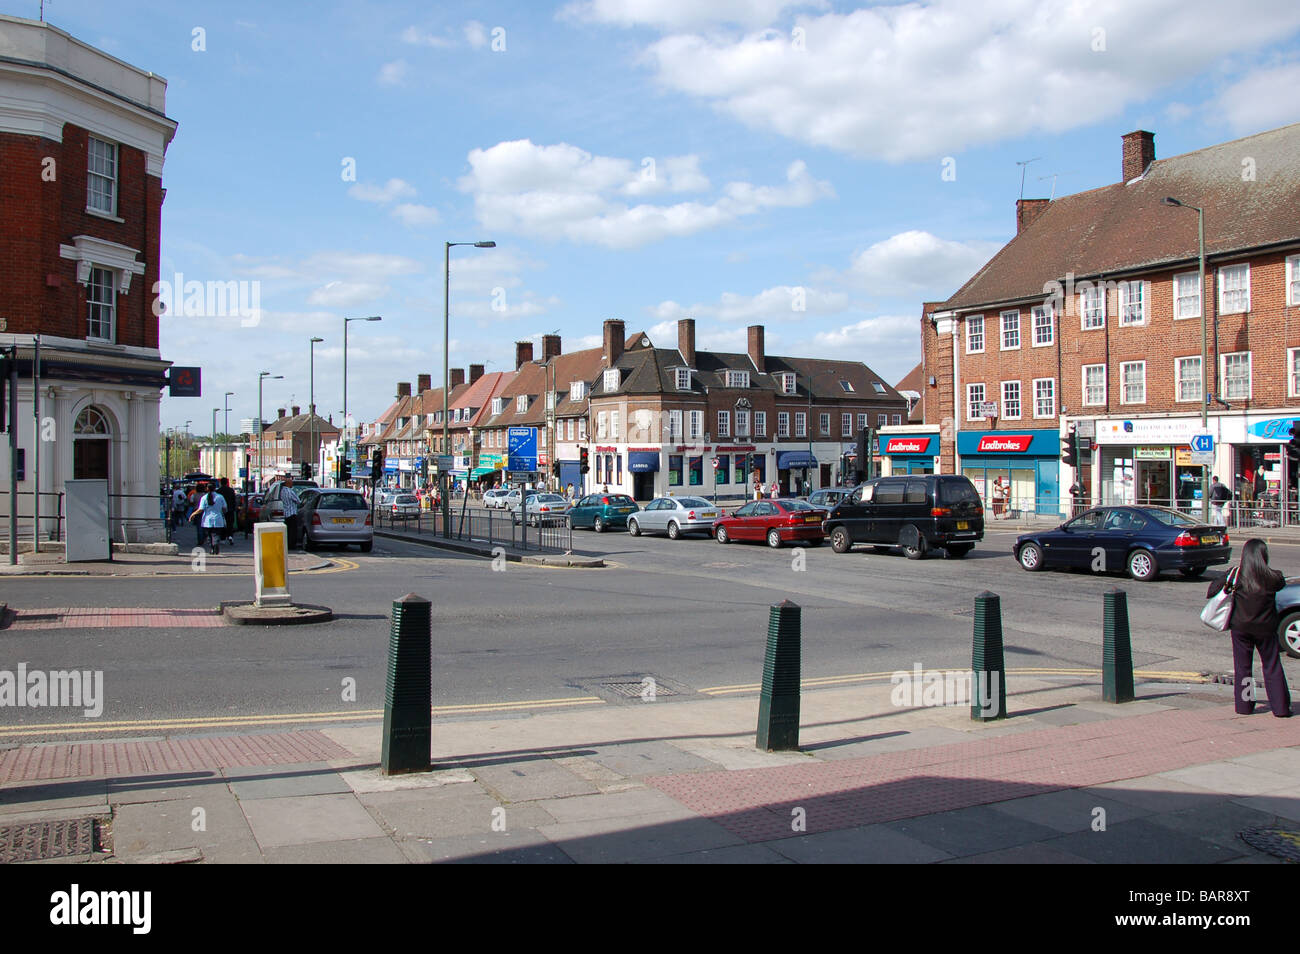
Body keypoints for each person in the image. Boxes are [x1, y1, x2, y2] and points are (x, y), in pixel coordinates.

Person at [1207, 539, 1291, 717]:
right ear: (1264, 555)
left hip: (1241, 628)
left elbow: (1211, 591)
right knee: (1271, 666)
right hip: (1266, 629)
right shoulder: (1274, 576)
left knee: (1243, 667)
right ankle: (1281, 708)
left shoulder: (1237, 574)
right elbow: (1281, 585)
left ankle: (1245, 706)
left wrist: (1228, 583)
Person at [190, 484, 227, 555]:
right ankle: (215, 544)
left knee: (209, 534)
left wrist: (193, 514)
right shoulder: (220, 497)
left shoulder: (204, 497)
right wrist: (222, 512)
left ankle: (212, 548)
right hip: (218, 518)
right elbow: (225, 507)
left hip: (207, 519)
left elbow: (201, 509)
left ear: (207, 489)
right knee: (216, 534)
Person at [281, 474, 303, 551]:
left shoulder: (282, 491)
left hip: (286, 513)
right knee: (293, 531)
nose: (292, 484)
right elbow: (298, 501)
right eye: (291, 483)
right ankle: (292, 545)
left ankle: (288, 544)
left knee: (288, 531)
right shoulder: (290, 492)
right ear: (288, 484)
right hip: (292, 513)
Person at [217, 477, 238, 545]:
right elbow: (234, 500)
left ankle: (222, 538)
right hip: (230, 509)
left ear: (221, 483)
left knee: (222, 524)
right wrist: (234, 508)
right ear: (227, 483)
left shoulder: (218, 491)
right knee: (230, 524)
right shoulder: (231, 490)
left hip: (221, 510)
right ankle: (230, 536)